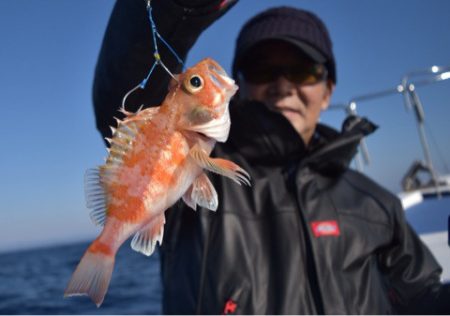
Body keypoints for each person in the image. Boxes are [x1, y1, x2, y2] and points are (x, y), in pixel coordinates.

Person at [92, 0, 450, 314]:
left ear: (328, 92)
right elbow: (123, 98)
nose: (283, 84)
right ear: (242, 85)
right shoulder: (199, 190)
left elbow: (421, 298)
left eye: (304, 70)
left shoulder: (379, 204)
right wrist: (178, 6)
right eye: (264, 70)